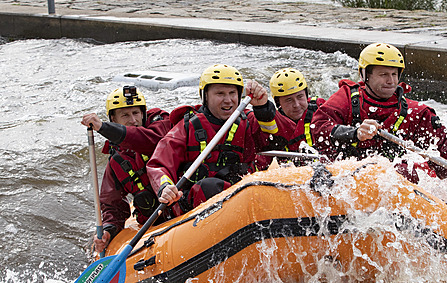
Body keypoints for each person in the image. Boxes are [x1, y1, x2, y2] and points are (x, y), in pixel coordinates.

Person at [310, 42, 447, 186]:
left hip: (393, 180)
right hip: (348, 175)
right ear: (366, 76)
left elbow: (442, 153)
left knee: (404, 172)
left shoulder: (417, 112)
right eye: (383, 74)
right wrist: (355, 133)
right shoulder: (347, 97)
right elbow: (318, 127)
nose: (391, 81)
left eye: (394, 74)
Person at [146, 64, 287, 214]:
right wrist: (165, 187)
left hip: (242, 195)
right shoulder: (186, 128)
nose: (228, 100)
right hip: (197, 204)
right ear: (205, 95)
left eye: (232, 93)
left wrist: (264, 109)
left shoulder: (250, 121)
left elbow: (283, 138)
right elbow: (159, 163)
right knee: (209, 187)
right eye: (220, 93)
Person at [80, 86, 173, 254]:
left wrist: (104, 128)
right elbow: (112, 206)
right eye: (125, 115)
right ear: (114, 119)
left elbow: (149, 141)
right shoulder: (117, 161)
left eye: (136, 113)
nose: (133, 120)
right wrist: (108, 230)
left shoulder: (162, 125)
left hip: (184, 206)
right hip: (156, 221)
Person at [256, 67, 327, 169]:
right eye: (289, 100)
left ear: (306, 95)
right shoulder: (273, 124)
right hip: (291, 175)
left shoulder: (321, 109)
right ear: (278, 103)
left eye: (300, 97)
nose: (296, 105)